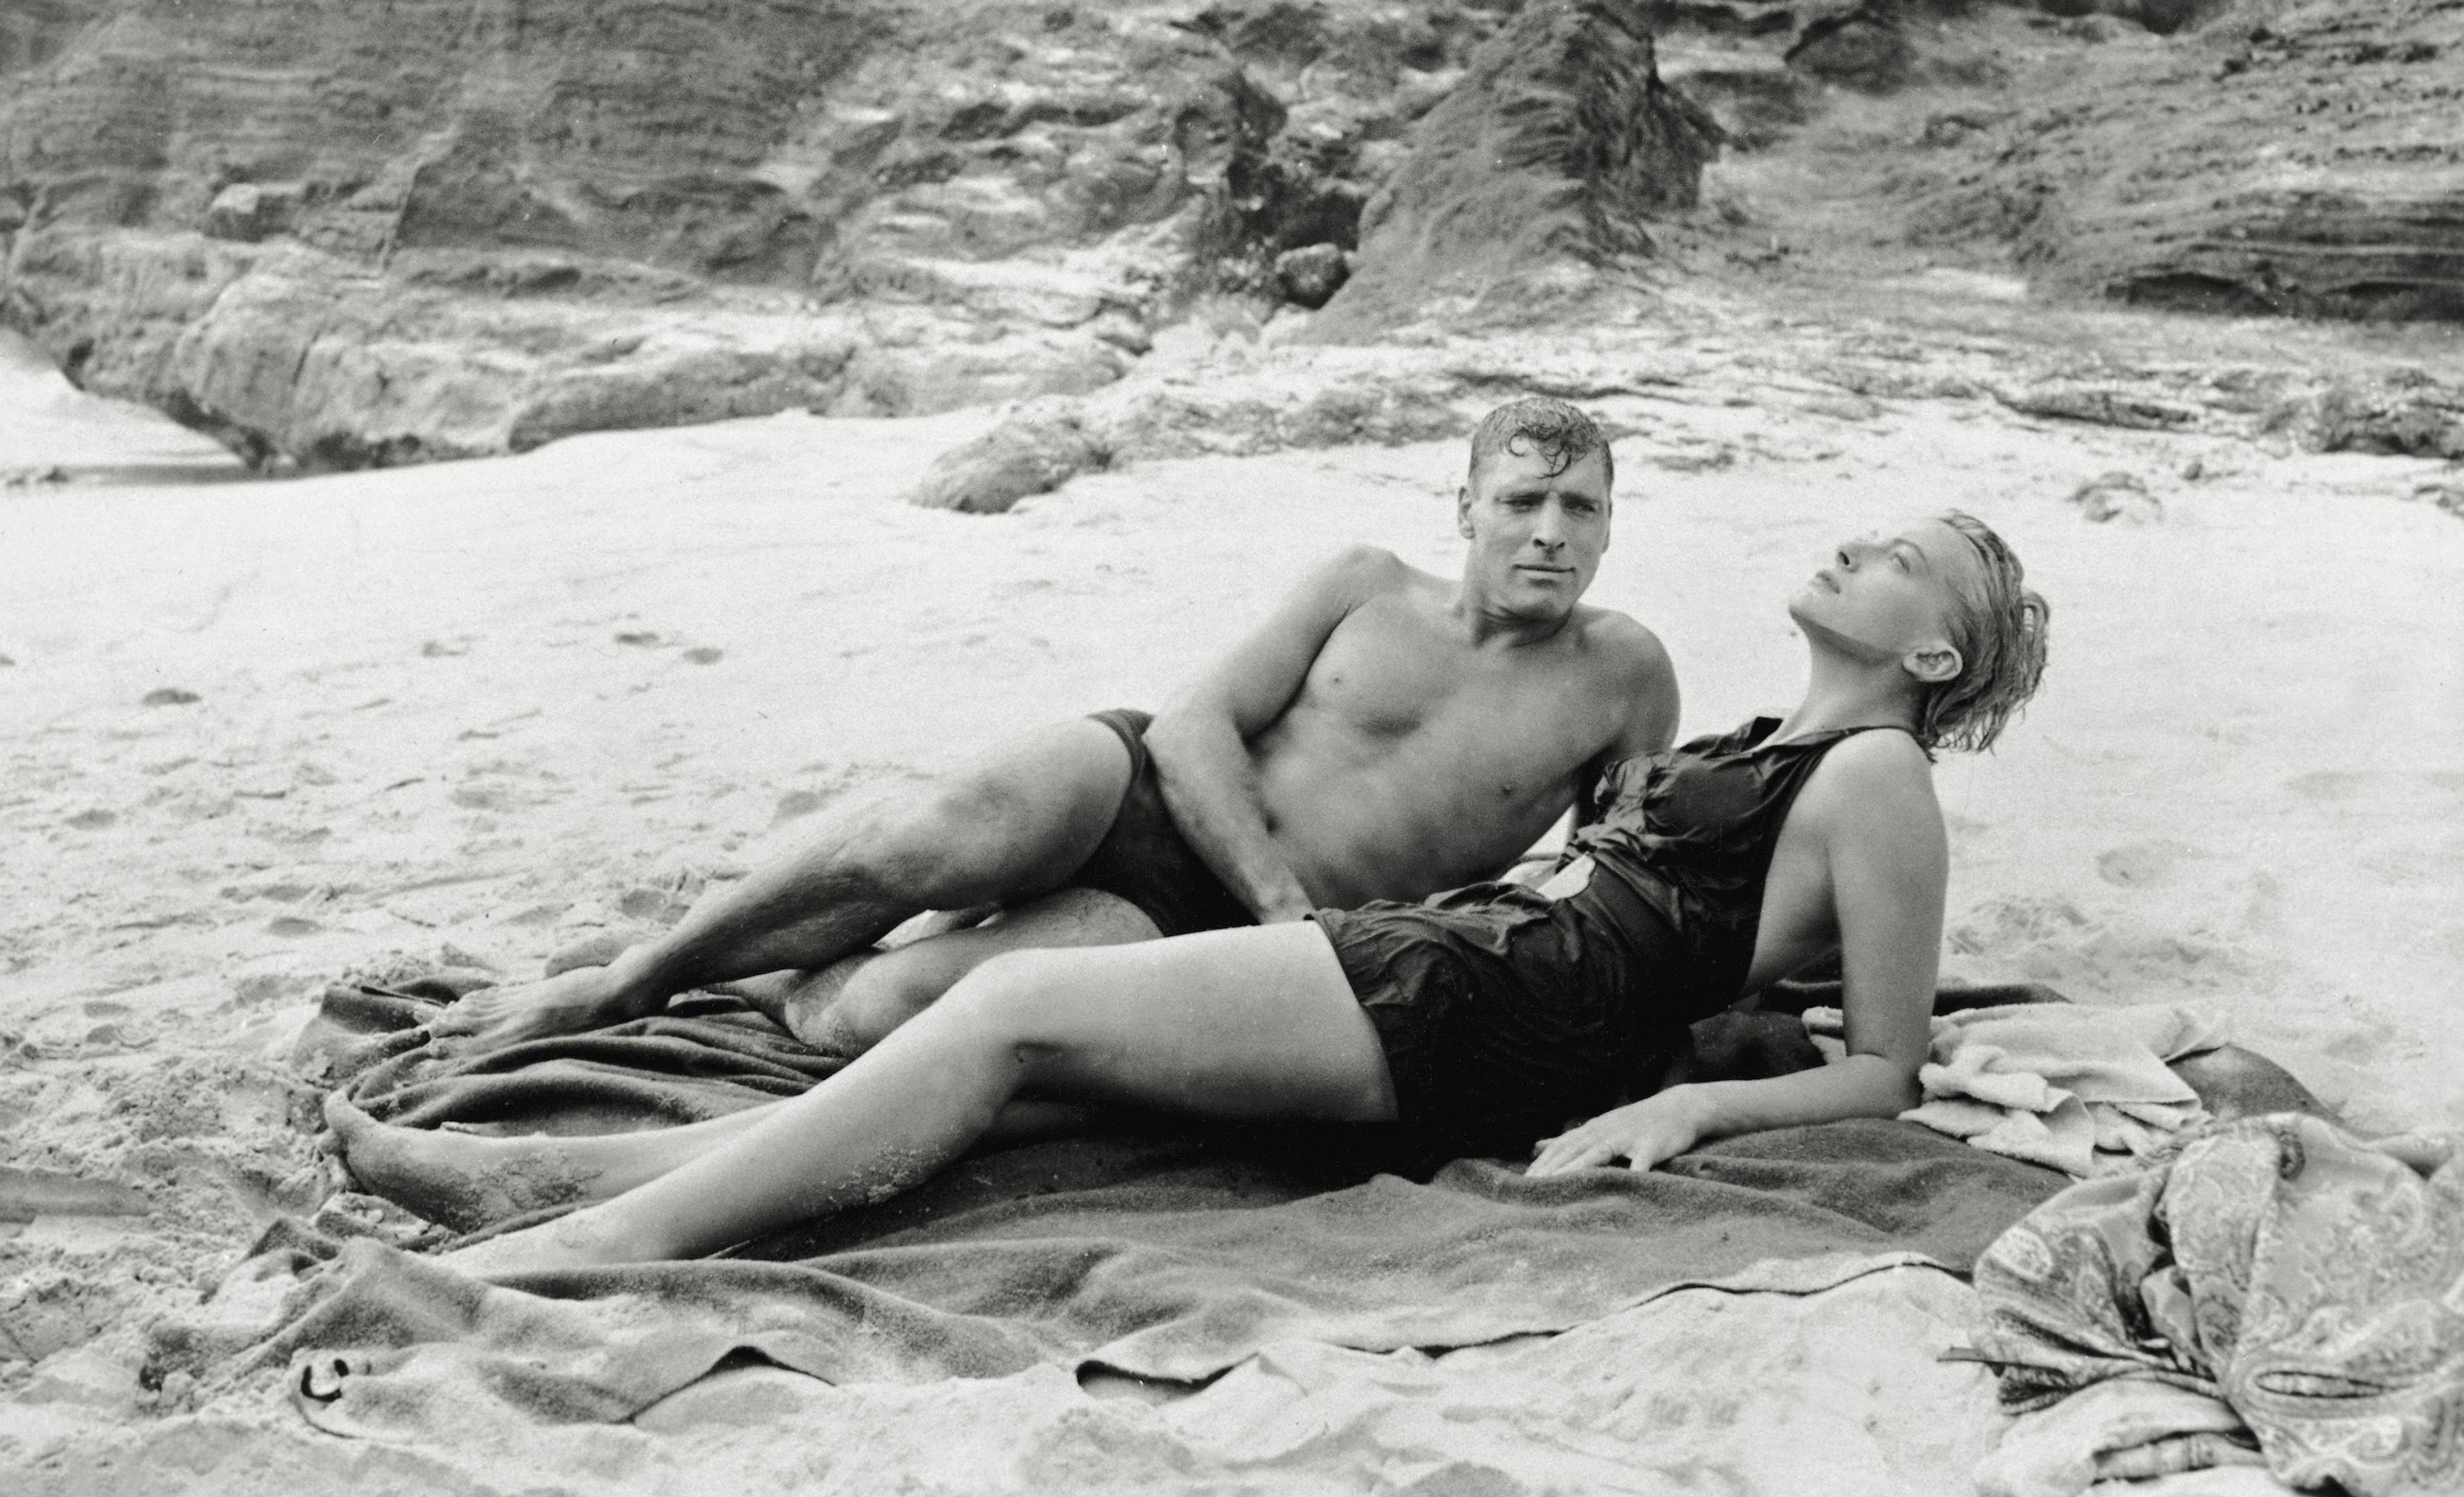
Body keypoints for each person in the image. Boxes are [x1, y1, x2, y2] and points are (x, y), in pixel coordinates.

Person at [329, 509, 2054, 1272]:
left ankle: (593, 1245)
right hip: (1468, 969)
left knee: (1008, 1015)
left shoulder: (1879, 777)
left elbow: (1886, 1067)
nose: (1855, 548)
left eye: (1900, 557)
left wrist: (1678, 1118)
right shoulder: (1771, 735)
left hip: (1500, 1012)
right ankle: (566, 1176)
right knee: (1026, 1077)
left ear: (1933, 647)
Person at [426, 397, 1679, 1057]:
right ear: (1464, 505)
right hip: (1145, 791)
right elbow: (1193, 727)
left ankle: (755, 970)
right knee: (934, 838)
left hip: (1204, 926)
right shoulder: (1366, 581)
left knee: (880, 1013)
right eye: (1523, 500)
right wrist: (1291, 907)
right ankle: (622, 982)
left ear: (1612, 525)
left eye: (1583, 507)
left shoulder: (1623, 677)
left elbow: (1623, 888)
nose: (1551, 533)